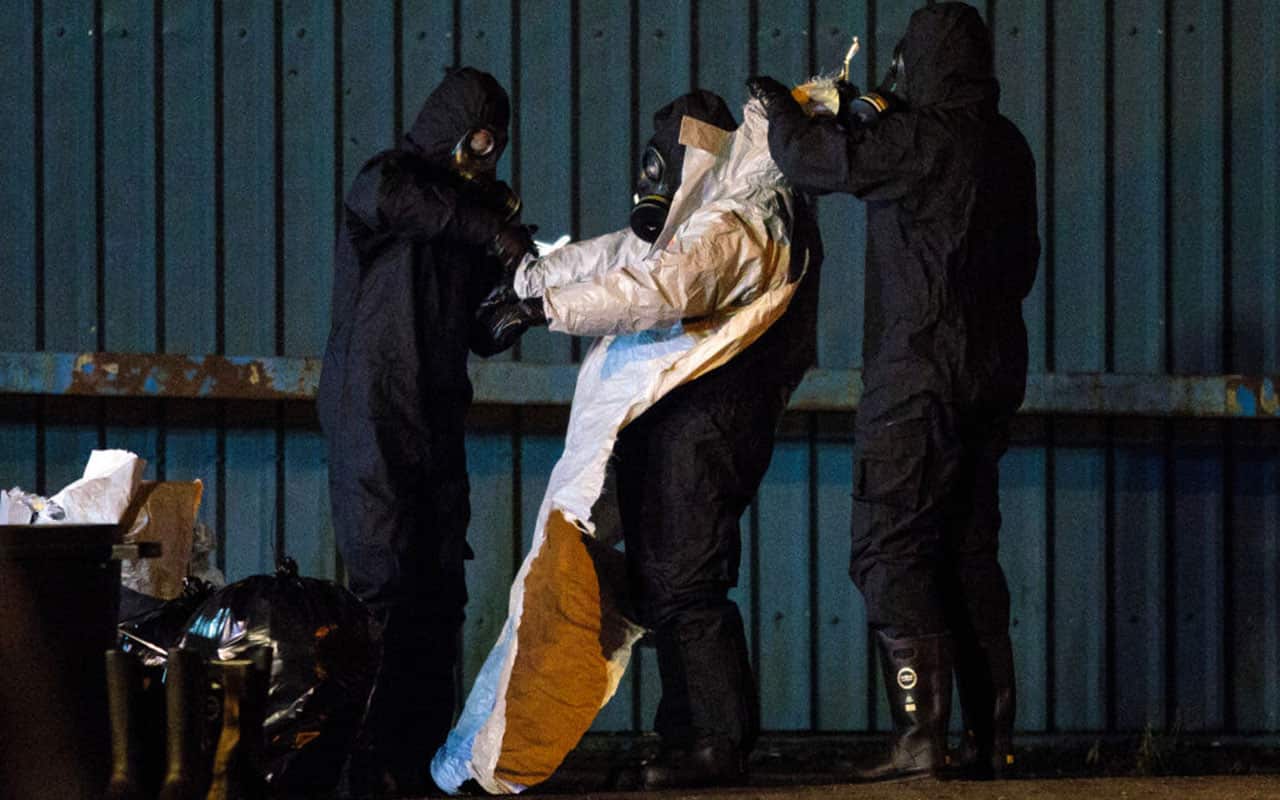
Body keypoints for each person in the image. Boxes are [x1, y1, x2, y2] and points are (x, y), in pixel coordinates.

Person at [433, 91, 820, 794]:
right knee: (667, 580)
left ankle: (716, 743)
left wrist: (542, 307)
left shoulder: (742, 220)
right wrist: (529, 273)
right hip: (685, 429)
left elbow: (663, 284)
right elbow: (628, 252)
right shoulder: (714, 211)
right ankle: (688, 739)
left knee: (686, 581)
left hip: (706, 431)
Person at [748, 1, 1040, 782]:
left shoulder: (924, 138)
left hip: (918, 375)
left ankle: (918, 740)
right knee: (968, 553)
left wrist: (780, 108)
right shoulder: (1008, 145)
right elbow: (1025, 262)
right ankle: (991, 741)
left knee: (889, 548)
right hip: (991, 376)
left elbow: (816, 161)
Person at [316, 66, 535, 797]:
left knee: (440, 588)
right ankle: (362, 765)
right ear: (449, 127)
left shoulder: (464, 219)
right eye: (476, 139)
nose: (484, 155)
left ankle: (422, 763)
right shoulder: (388, 181)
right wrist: (492, 230)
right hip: (372, 412)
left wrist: (525, 300)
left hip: (436, 418)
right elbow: (407, 204)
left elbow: (479, 331)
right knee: (384, 581)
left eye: (494, 144)